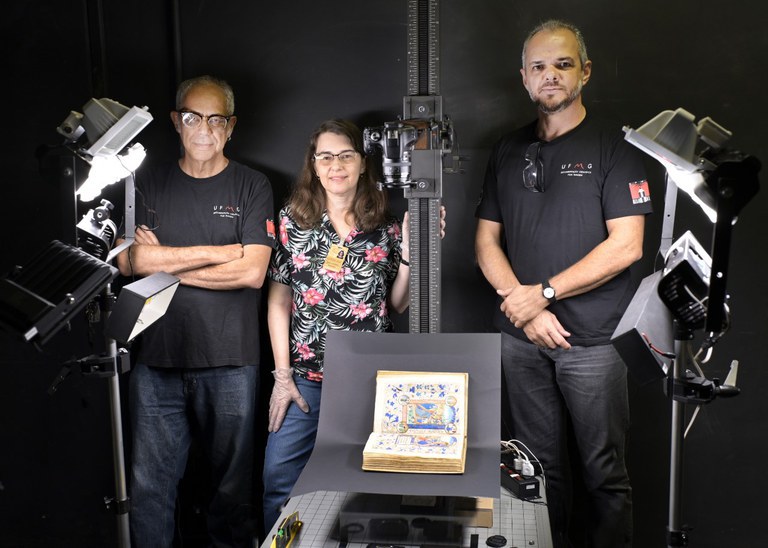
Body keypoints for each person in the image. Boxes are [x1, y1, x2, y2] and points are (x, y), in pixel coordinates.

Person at [474, 20, 653, 548]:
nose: (549, 75)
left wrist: (544, 294)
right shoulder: (506, 150)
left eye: (563, 64)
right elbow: (486, 243)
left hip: (592, 344)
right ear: (524, 78)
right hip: (521, 339)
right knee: (535, 471)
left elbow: (627, 245)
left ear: (585, 72)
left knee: (604, 477)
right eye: (538, 66)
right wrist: (526, 309)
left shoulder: (617, 148)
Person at [262, 119, 445, 530]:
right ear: (314, 164)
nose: (336, 165)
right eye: (325, 156)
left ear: (363, 164)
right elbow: (278, 302)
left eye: (346, 155)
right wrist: (282, 377)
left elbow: (396, 304)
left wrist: (414, 253)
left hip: (373, 382)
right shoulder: (292, 222)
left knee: (367, 490)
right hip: (307, 382)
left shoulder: (386, 227)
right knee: (278, 482)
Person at [115, 75, 274, 547]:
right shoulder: (145, 182)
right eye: (192, 117)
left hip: (231, 361)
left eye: (215, 119)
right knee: (149, 492)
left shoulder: (252, 184)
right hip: (156, 362)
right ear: (176, 122)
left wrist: (167, 262)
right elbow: (130, 262)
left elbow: (251, 274)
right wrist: (223, 251)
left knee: (232, 493)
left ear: (231, 126)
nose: (204, 129)